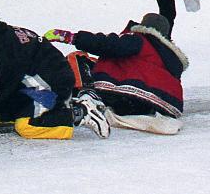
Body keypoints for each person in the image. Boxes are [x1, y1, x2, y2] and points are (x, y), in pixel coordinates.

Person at [0, 0, 110, 140]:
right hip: (26, 84)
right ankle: (58, 106)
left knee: (27, 126)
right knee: (3, 115)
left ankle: (79, 112)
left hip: (51, 83)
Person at [45, 12, 187, 135]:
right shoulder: (170, 58)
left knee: (79, 58)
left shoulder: (141, 40)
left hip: (127, 96)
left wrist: (72, 37)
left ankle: (87, 96)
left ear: (144, 27)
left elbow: (109, 44)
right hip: (152, 106)